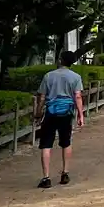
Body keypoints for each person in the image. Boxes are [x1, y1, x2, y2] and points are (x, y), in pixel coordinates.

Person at [33, 50, 85, 189]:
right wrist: (80, 115)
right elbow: (78, 96)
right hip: (66, 113)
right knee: (66, 142)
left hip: (50, 112)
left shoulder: (48, 76)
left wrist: (38, 113)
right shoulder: (76, 77)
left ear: (60, 60)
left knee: (46, 144)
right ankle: (65, 173)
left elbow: (42, 97)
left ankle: (46, 178)